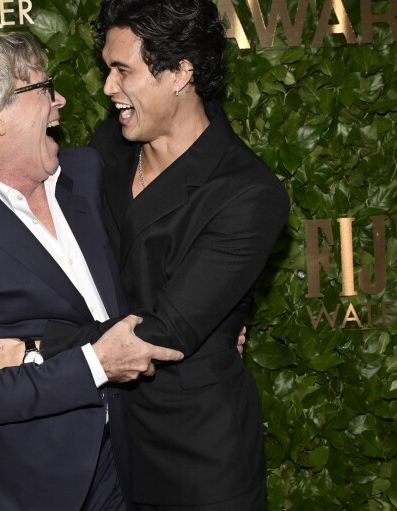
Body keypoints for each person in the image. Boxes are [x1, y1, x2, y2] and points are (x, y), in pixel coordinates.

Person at [0, 32, 184, 511]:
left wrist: (204, 321)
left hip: (124, 466)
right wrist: (96, 363)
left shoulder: (86, 173)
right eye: (44, 88)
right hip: (20, 489)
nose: (61, 100)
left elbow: (152, 254)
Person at [87, 0, 290, 508]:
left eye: (122, 71)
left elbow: (165, 333)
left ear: (180, 73)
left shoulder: (247, 192)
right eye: (106, 70)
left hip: (197, 458)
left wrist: (31, 346)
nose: (108, 88)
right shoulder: (106, 147)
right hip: (103, 445)